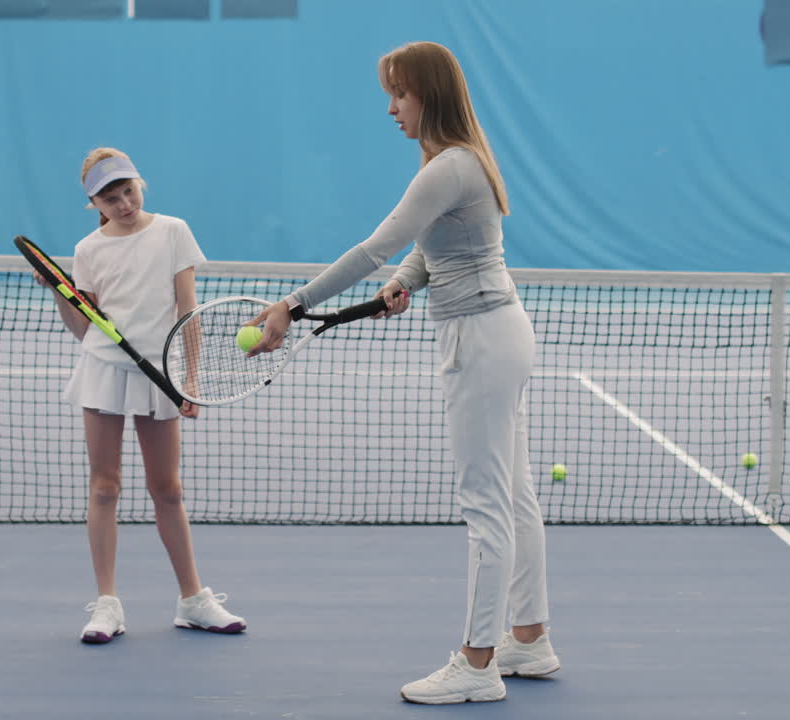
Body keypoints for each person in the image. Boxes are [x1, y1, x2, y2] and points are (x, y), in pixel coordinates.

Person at [245, 42, 558, 703]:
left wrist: (292, 305)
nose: (391, 108)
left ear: (429, 97)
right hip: (499, 329)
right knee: (517, 495)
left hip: (481, 340)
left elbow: (375, 245)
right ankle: (527, 638)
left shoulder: (447, 167)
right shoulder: (459, 160)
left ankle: (477, 665)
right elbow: (432, 246)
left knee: (486, 505)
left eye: (400, 95)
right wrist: (406, 282)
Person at [42, 147, 246, 644]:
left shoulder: (172, 231)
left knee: (168, 489)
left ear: (140, 184)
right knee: (105, 487)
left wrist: (189, 381)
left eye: (128, 190)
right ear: (95, 203)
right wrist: (58, 292)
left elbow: (187, 311)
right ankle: (107, 604)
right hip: (104, 373)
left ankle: (193, 599)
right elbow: (84, 328)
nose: (124, 203)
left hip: (161, 373)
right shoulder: (88, 249)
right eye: (111, 198)